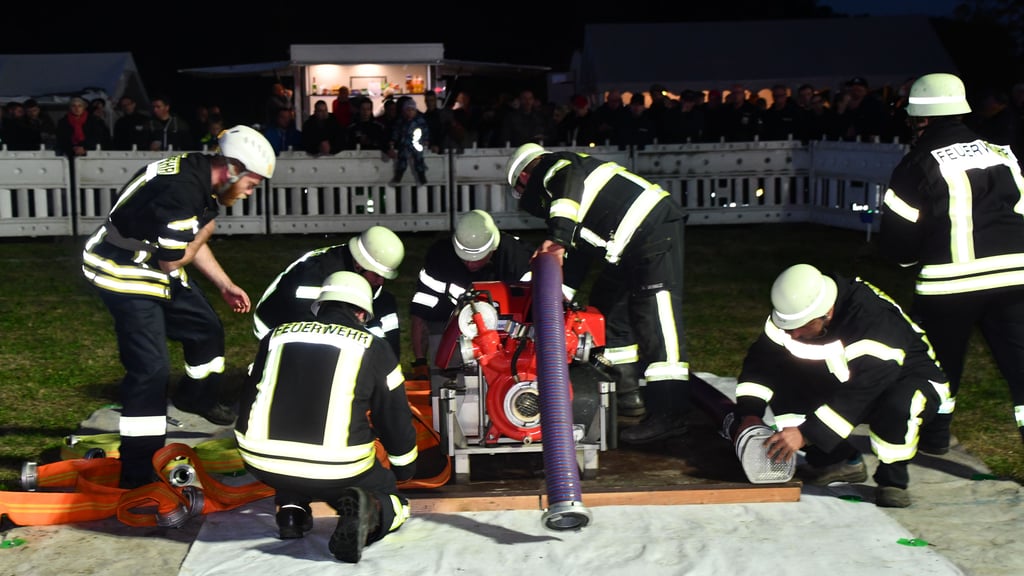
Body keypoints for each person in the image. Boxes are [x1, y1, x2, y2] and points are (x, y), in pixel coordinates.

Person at [80, 125, 275, 489]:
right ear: (233, 168)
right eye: (252, 184)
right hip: (122, 270)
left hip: (152, 262)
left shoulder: (198, 174)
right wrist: (206, 231)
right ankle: (138, 469)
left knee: (206, 329)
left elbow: (186, 243)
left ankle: (196, 397)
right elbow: (174, 259)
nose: (250, 192)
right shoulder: (183, 192)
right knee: (151, 371)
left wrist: (224, 284)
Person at [880, 72, 1024, 450]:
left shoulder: (915, 164)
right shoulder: (1002, 154)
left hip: (948, 287)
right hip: (1015, 280)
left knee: (938, 367)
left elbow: (898, 245)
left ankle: (935, 437)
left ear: (922, 118)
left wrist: (909, 260)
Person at [728, 264, 949, 508]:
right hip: (852, 376)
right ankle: (836, 461)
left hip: (910, 379)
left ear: (826, 313)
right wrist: (749, 412)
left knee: (898, 404)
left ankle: (893, 480)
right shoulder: (790, 318)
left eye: (801, 326)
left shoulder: (872, 320)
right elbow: (761, 362)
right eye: (789, 327)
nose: (793, 334)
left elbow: (863, 391)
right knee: (786, 374)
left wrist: (806, 434)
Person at [236, 271, 416, 563]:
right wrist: (404, 468)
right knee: (392, 498)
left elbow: (249, 395)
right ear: (361, 313)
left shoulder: (276, 336)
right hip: (338, 467)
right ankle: (371, 512)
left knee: (294, 443)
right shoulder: (373, 346)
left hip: (260, 461)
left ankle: (291, 511)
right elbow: (393, 417)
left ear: (320, 306)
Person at [505, 144, 688, 432]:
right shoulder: (569, 199)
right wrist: (556, 295)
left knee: (655, 320)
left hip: (652, 230)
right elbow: (579, 255)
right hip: (629, 246)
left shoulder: (556, 167)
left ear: (524, 177)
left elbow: (569, 185)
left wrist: (557, 239)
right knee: (606, 309)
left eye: (520, 191)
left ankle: (669, 413)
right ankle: (628, 397)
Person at [409, 209, 534, 377]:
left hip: (511, 335)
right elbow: (421, 313)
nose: (470, 264)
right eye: (464, 258)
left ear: (493, 248)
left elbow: (535, 315)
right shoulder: (439, 258)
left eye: (477, 258)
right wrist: (420, 362)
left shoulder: (517, 259)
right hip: (455, 329)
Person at [252, 226, 405, 357]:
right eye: (377, 275)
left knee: (386, 304)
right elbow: (305, 323)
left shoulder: (363, 273)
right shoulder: (317, 273)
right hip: (280, 327)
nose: (381, 282)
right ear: (359, 265)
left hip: (322, 320)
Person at [387, 98, 430, 185]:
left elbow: (425, 130)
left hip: (416, 144)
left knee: (419, 159)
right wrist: (393, 140)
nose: (410, 112)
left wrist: (426, 140)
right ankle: (399, 175)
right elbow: (396, 131)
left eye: (412, 110)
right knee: (402, 159)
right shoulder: (401, 121)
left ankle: (421, 175)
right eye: (408, 110)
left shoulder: (419, 121)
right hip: (404, 144)